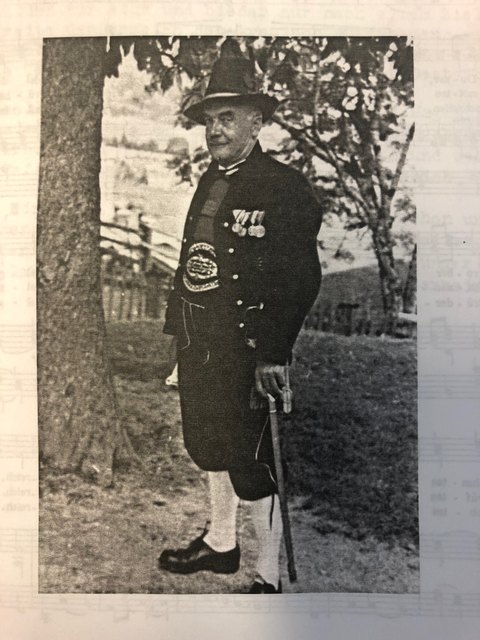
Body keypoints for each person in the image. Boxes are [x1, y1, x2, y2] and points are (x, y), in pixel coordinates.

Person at [159, 40, 323, 593]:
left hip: (247, 348)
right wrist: (179, 336)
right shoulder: (211, 178)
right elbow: (195, 262)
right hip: (199, 342)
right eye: (209, 120)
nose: (216, 130)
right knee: (206, 445)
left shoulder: (283, 187)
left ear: (257, 121)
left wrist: (274, 354)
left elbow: (301, 279)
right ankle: (221, 546)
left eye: (228, 118)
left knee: (250, 465)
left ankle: (268, 574)